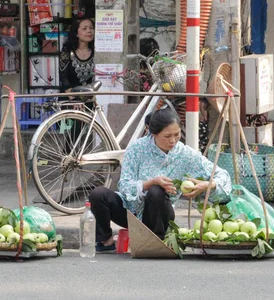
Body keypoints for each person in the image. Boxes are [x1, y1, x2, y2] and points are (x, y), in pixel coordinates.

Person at [89, 108, 232, 252]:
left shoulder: (185, 154)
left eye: (177, 135)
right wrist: (151, 182)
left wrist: (208, 185)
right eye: (167, 136)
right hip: (129, 211)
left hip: (159, 213)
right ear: (153, 133)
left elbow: (222, 175)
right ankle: (105, 242)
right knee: (98, 194)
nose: (173, 140)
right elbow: (125, 185)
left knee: (157, 192)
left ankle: (156, 241)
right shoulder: (136, 148)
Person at [59, 17, 95, 93]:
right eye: (84, 29)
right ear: (76, 34)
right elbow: (63, 77)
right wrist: (72, 96)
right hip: (71, 98)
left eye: (91, 28)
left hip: (91, 96)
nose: (89, 31)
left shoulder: (96, 51)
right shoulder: (67, 51)